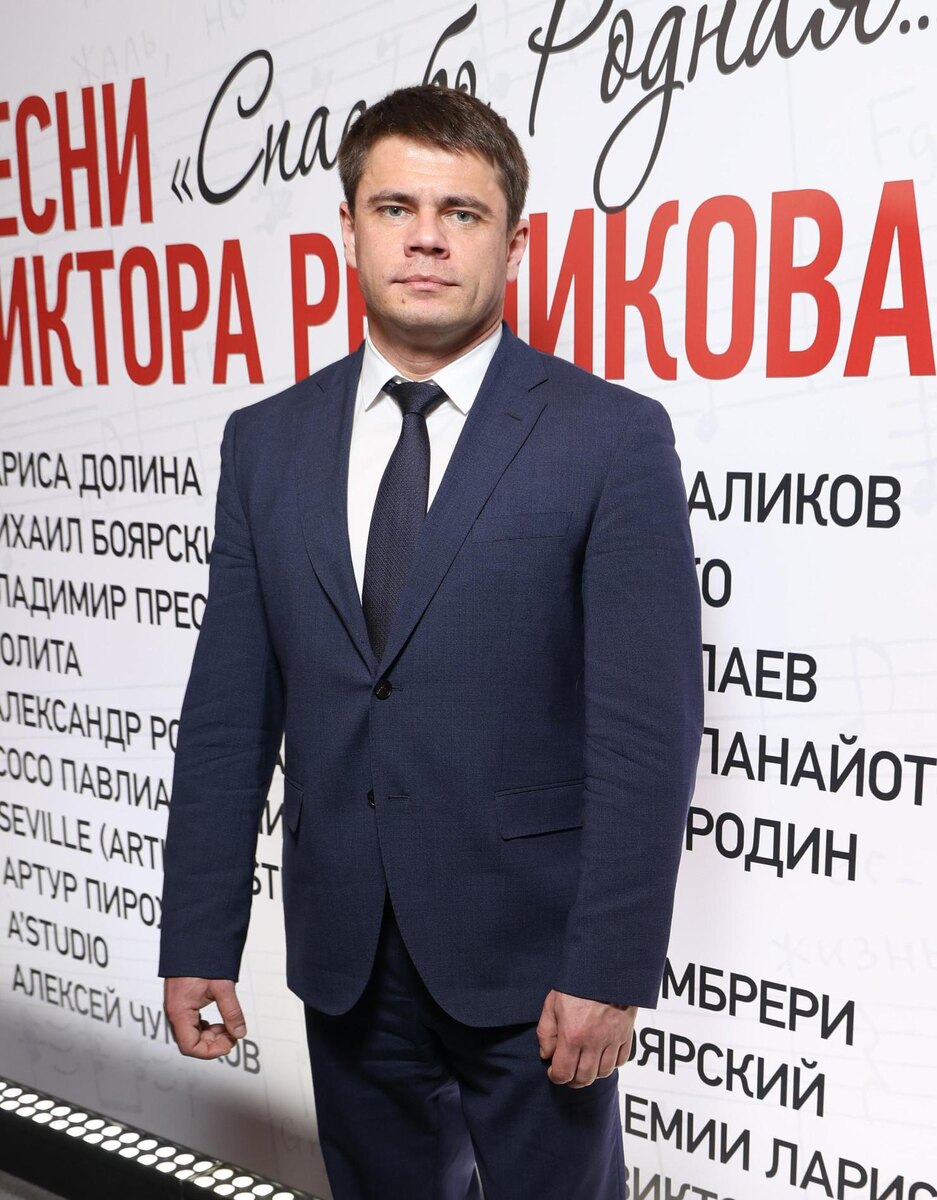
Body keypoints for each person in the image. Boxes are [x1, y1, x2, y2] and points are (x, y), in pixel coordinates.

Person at [159, 84, 703, 1200]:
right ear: (348, 227)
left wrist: (609, 965)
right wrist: (198, 935)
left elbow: (645, 734)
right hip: (346, 955)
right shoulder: (265, 443)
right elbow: (227, 716)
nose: (426, 238)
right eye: (395, 207)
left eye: (462, 212)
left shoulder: (609, 437)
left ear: (513, 241)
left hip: (535, 965)